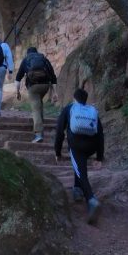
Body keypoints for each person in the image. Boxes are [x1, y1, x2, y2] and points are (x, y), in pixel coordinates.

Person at [54, 87, 104, 224]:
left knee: (81, 172)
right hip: (92, 146)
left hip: (76, 146)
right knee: (80, 166)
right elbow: (100, 135)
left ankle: (91, 199)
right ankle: (77, 191)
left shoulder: (69, 109)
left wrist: (57, 152)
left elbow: (59, 132)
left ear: (74, 98)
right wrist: (100, 157)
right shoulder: (91, 111)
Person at [15, 45, 57, 142]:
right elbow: (53, 76)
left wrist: (17, 92)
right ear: (36, 52)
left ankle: (38, 135)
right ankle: (41, 131)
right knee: (39, 105)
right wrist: (55, 92)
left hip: (33, 87)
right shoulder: (44, 59)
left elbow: (18, 78)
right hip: (45, 86)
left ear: (28, 53)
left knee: (36, 110)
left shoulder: (26, 60)